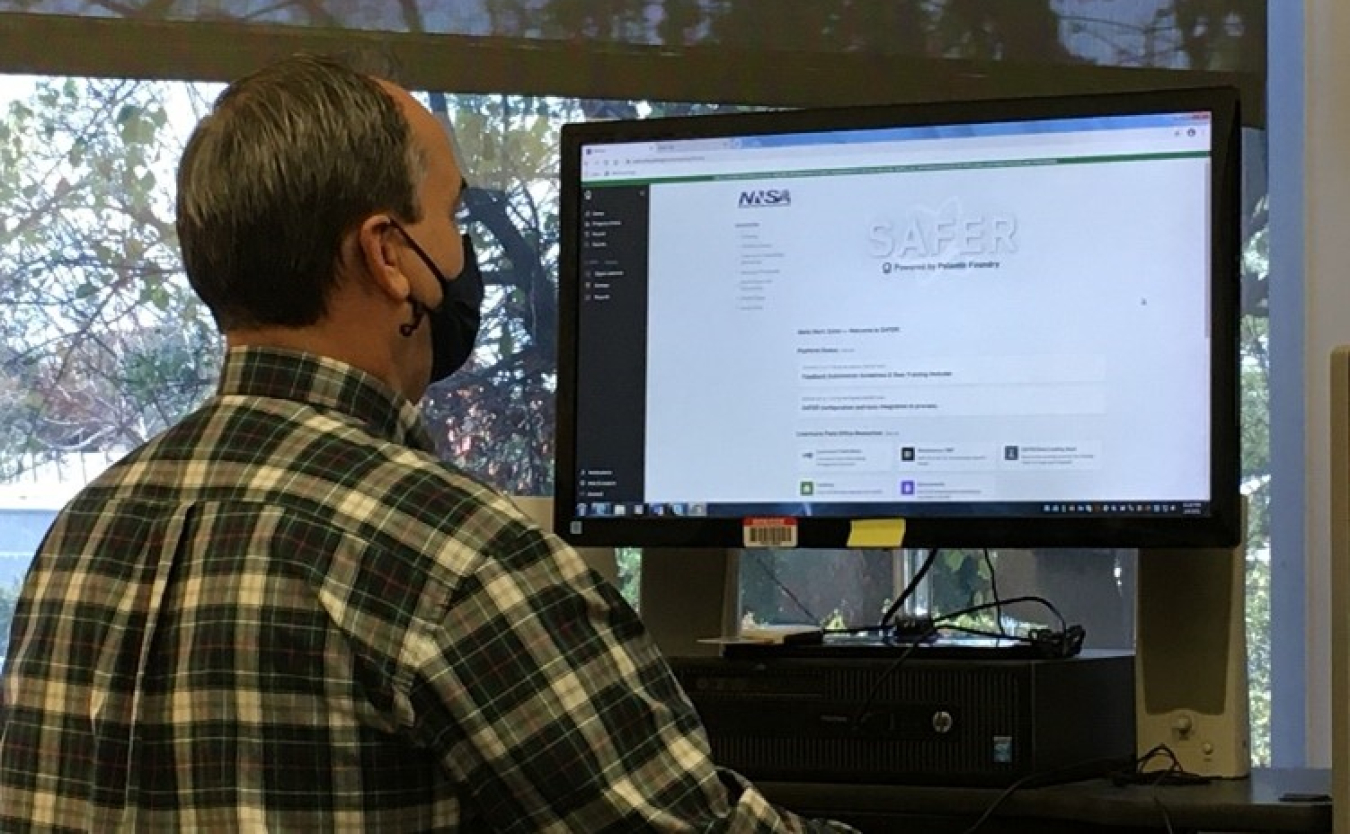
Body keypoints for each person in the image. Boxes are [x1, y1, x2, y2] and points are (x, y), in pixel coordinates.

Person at [0, 55, 858, 832]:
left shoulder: (80, 536)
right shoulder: (454, 558)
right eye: (451, 214)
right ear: (389, 256)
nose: (465, 250)